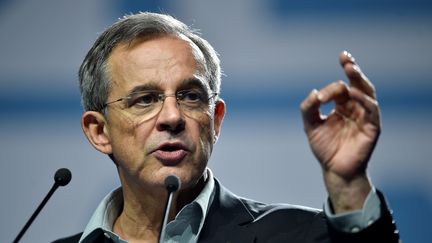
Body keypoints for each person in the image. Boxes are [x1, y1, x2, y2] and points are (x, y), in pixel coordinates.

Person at [54, 12, 399, 243]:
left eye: (190, 96)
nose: (172, 117)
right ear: (99, 132)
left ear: (215, 119)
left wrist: (349, 184)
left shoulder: (302, 235)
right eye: (145, 99)